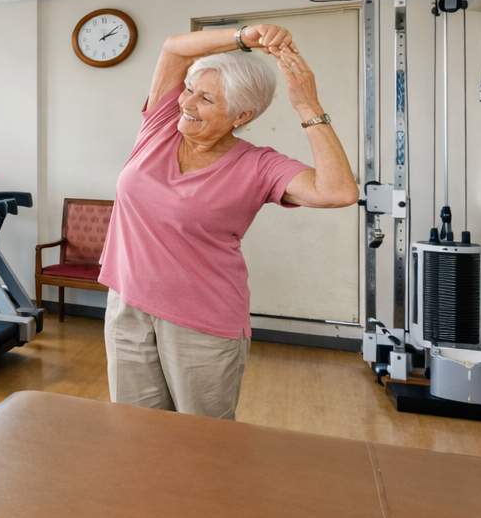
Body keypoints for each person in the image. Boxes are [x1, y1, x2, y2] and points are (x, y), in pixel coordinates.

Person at [98, 24, 358, 420]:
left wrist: (308, 105)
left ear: (242, 115)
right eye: (189, 89)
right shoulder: (161, 126)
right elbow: (174, 49)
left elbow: (338, 192)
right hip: (127, 305)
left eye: (205, 99)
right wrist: (246, 36)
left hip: (201, 320)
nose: (187, 102)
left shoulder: (259, 165)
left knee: (204, 441)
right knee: (134, 430)